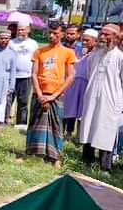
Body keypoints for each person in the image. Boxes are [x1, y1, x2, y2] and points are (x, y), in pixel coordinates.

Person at [26, 22, 76, 169]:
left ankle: (56, 158)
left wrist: (53, 95)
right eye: (49, 32)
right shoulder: (39, 52)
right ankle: (31, 152)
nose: (51, 35)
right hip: (39, 94)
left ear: (62, 34)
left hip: (56, 95)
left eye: (55, 33)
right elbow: (34, 74)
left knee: (56, 126)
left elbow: (70, 76)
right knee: (35, 123)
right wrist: (40, 94)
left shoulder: (68, 52)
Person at [78, 24, 123, 172]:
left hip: (110, 100)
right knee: (88, 127)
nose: (102, 37)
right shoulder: (94, 55)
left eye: (107, 35)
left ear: (116, 38)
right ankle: (87, 161)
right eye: (101, 34)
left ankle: (105, 167)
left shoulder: (120, 57)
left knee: (106, 131)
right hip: (92, 97)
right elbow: (90, 72)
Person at [63, 28, 98, 141]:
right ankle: (67, 132)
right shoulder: (77, 49)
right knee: (70, 107)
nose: (84, 42)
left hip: (88, 84)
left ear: (94, 40)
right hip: (74, 82)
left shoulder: (98, 53)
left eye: (87, 40)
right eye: (83, 40)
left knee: (83, 110)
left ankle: (80, 135)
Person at [6, 21, 39, 127]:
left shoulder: (33, 43)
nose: (20, 32)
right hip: (12, 76)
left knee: (23, 101)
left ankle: (21, 123)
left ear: (28, 30)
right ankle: (5, 119)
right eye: (19, 29)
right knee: (9, 99)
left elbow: (36, 59)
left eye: (23, 29)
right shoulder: (11, 43)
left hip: (27, 76)